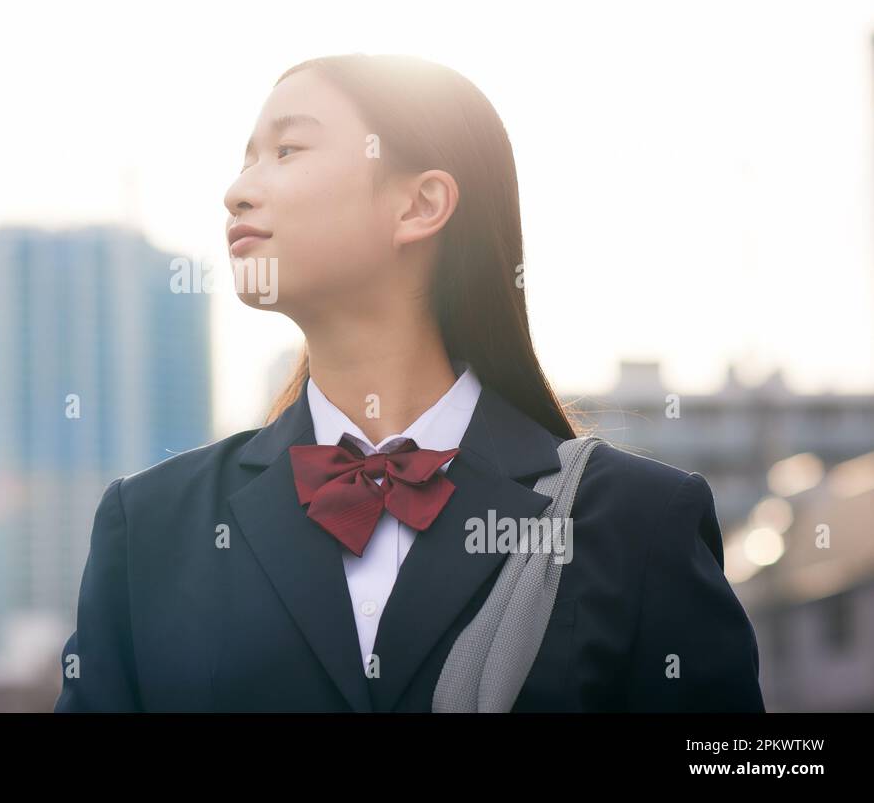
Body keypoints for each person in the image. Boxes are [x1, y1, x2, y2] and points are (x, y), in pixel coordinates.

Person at [54, 53, 765, 712]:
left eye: (287, 150)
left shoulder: (636, 521)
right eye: (245, 160)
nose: (237, 191)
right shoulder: (148, 528)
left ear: (420, 205)